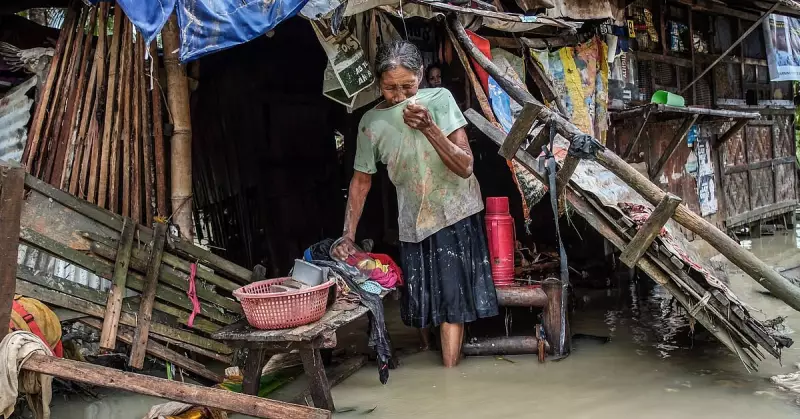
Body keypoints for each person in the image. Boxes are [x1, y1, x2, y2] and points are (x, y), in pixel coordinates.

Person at [333, 40, 498, 367]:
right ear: (378, 83)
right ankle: (429, 356)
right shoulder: (370, 123)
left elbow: (465, 166)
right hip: (413, 218)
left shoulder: (439, 100)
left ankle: (449, 380)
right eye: (390, 88)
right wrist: (347, 235)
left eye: (407, 86)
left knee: (452, 302)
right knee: (422, 303)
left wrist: (429, 128)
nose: (399, 95)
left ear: (420, 75)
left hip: (455, 211)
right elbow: (361, 182)